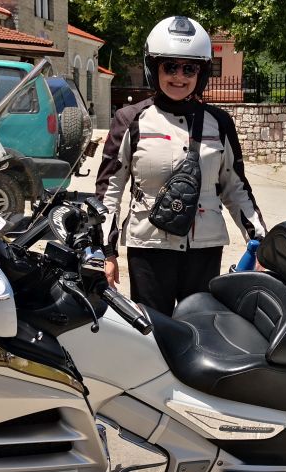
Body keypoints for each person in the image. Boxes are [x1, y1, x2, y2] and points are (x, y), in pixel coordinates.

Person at [95, 15, 267, 316]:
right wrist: (105, 252)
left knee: (201, 330)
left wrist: (262, 243)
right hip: (149, 248)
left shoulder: (219, 123)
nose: (179, 76)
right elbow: (109, 191)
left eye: (189, 68)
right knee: (152, 332)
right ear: (154, 68)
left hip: (204, 250)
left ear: (201, 72)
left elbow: (236, 187)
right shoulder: (131, 119)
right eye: (170, 66)